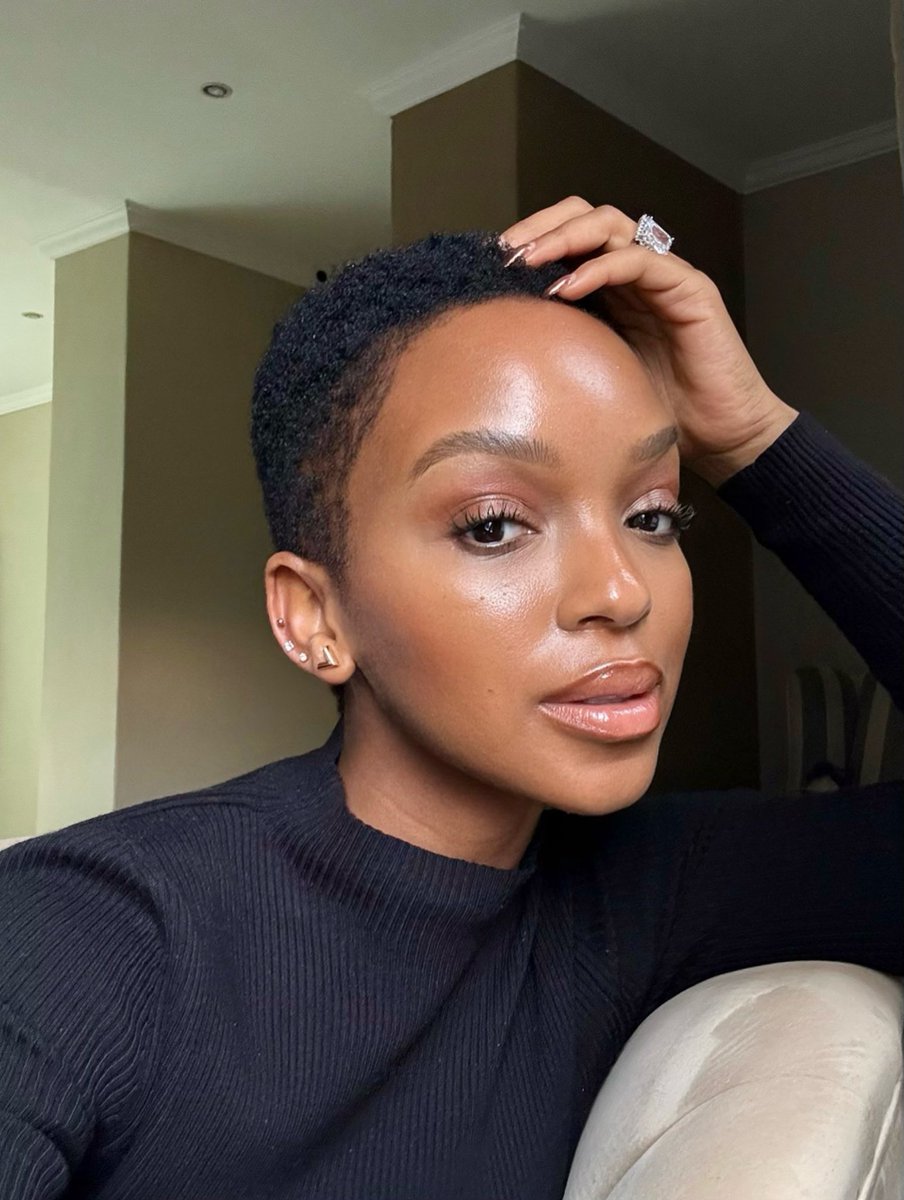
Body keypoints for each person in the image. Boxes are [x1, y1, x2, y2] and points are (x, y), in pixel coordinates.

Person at [1, 198, 901, 1200]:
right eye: (493, 524)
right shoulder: (85, 931)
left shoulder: (647, 898)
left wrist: (755, 438)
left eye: (652, 514)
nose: (621, 592)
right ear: (314, 616)